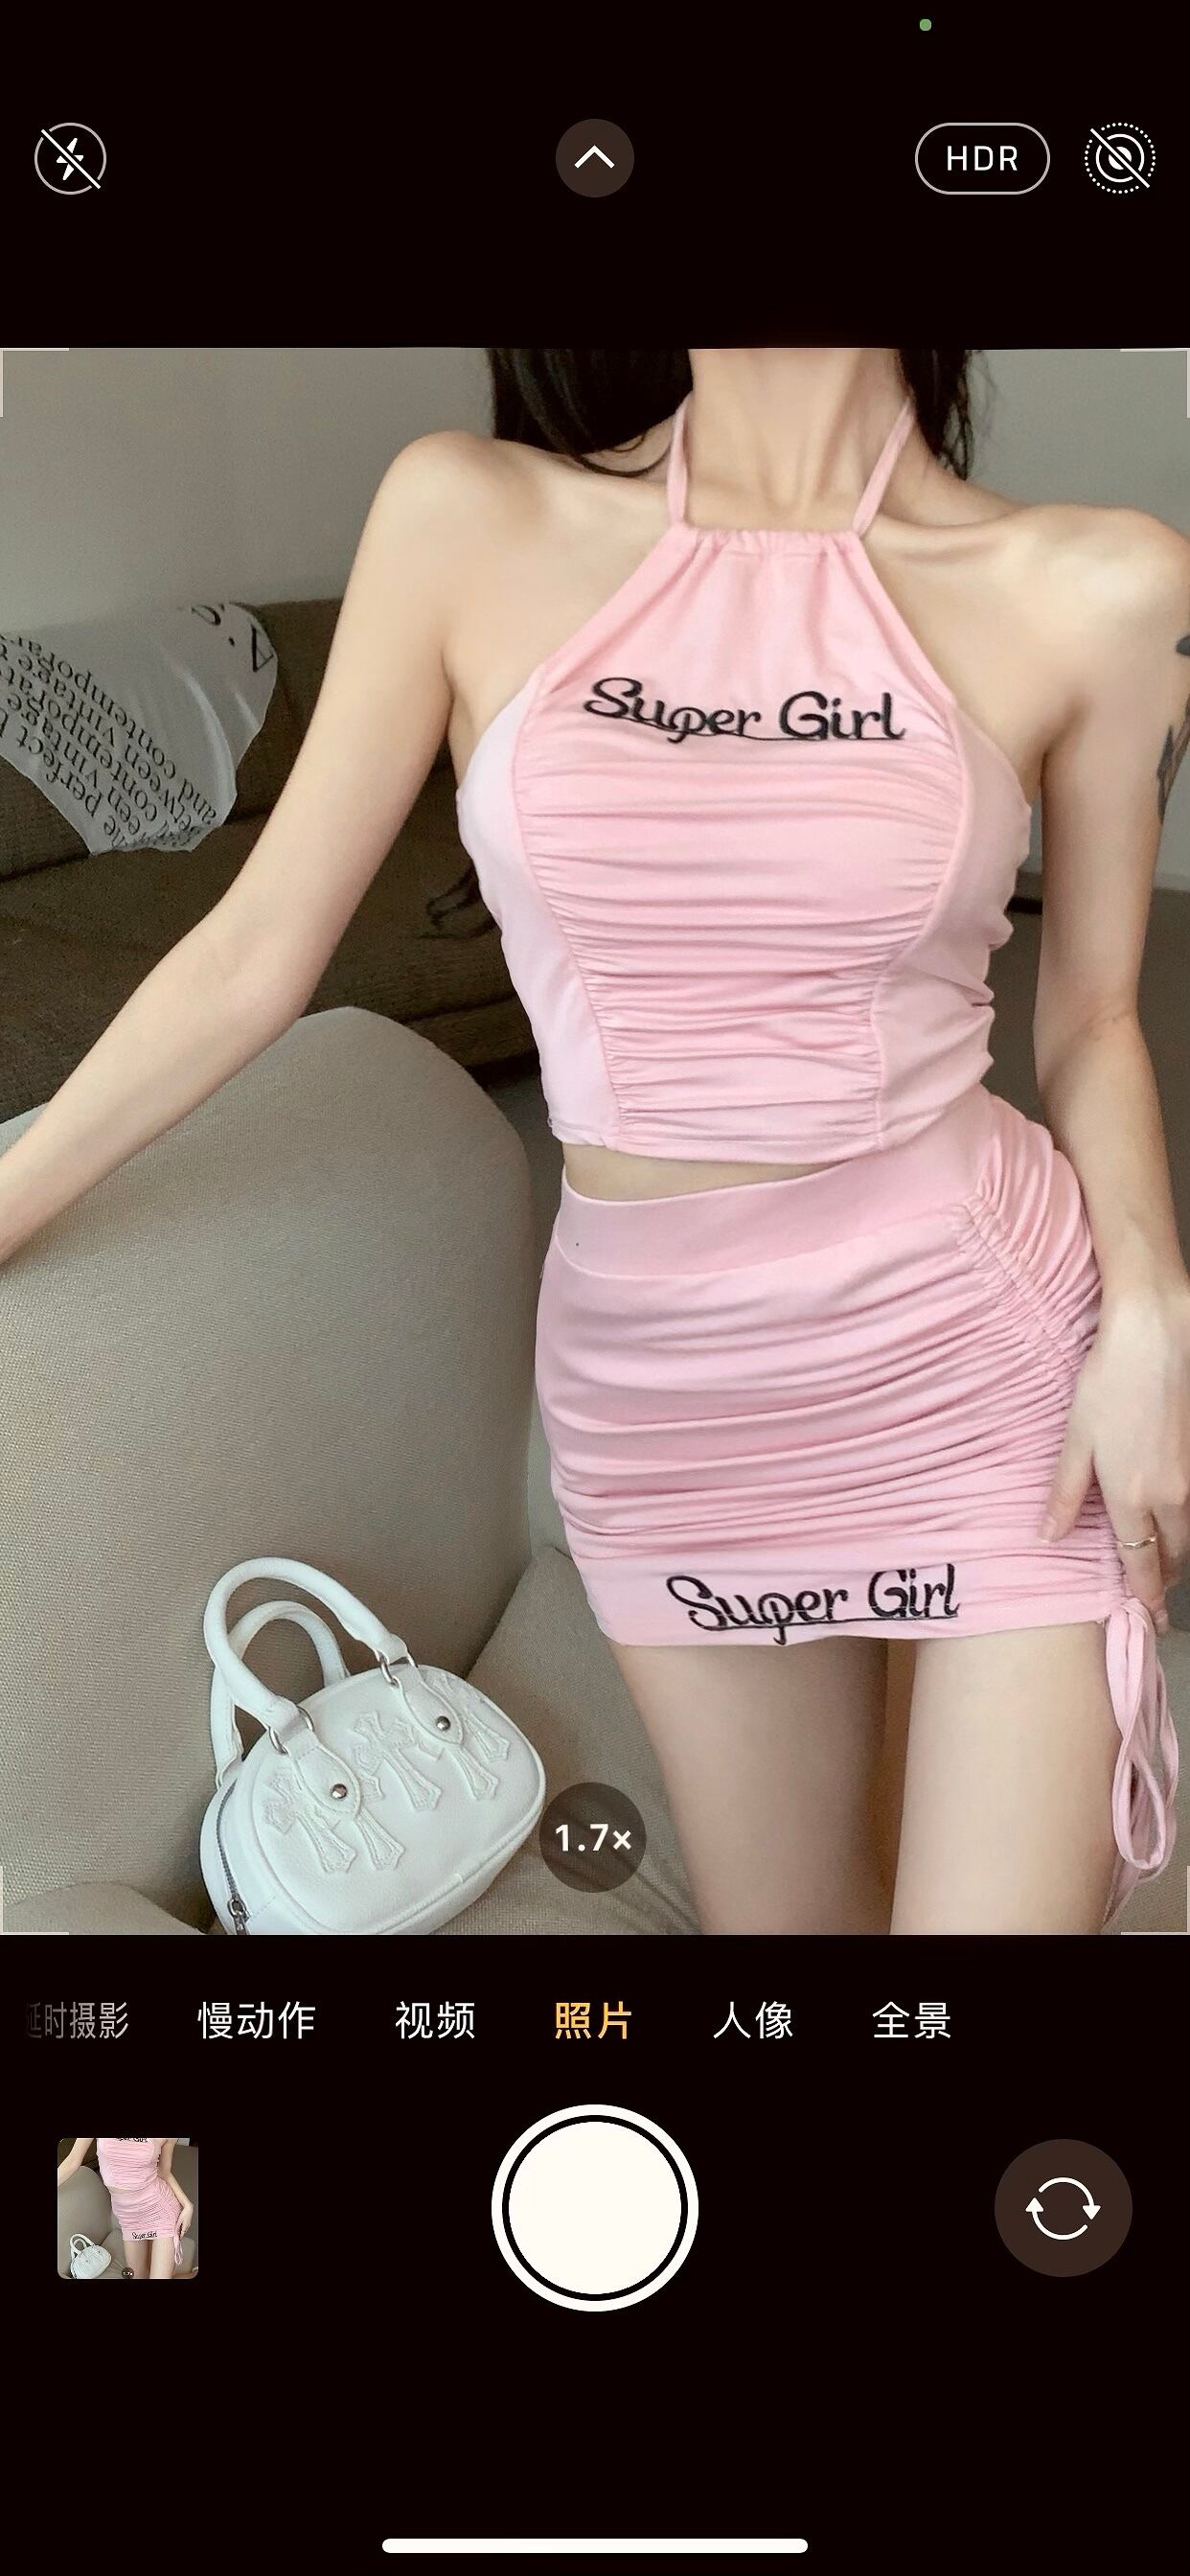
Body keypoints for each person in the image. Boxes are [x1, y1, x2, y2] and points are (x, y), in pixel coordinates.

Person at [3, 346, 1187, 1934]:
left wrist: (1153, 1317)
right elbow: (252, 951)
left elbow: (1093, 1016)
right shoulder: (465, 516)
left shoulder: (1104, 586)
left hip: (975, 1354)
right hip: (662, 1396)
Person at [57, 2137, 192, 2276]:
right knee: (138, 2276)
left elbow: (164, 2173)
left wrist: (187, 2205)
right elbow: (72, 2161)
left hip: (160, 2210)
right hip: (128, 2218)